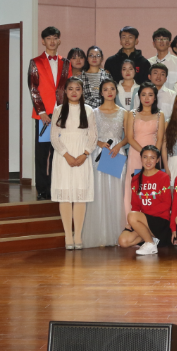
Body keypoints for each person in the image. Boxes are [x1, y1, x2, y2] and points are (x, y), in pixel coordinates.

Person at [50, 77, 98, 250]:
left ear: (82, 91)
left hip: (82, 156)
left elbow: (93, 136)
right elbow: (54, 137)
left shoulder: (89, 110)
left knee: (80, 196)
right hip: (63, 157)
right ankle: (68, 236)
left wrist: (85, 154)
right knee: (65, 196)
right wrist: (66, 155)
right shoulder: (58, 110)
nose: (74, 92)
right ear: (65, 91)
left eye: (78, 89)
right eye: (70, 89)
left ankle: (78, 236)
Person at [28, 26, 71, 201]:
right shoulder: (35, 62)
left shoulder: (66, 63)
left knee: (58, 152)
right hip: (43, 116)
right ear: (43, 41)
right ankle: (42, 189)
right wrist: (42, 111)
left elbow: (69, 88)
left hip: (61, 114)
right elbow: (33, 88)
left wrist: (66, 111)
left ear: (59, 40)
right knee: (42, 154)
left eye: (55, 38)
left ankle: (55, 187)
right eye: (48, 38)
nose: (52, 41)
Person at [85, 79, 129, 248]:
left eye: (112, 89)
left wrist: (119, 145)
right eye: (106, 89)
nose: (109, 92)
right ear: (101, 92)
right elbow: (88, 134)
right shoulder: (93, 112)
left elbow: (128, 136)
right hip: (100, 153)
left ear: (116, 91)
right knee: (99, 192)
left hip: (117, 153)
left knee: (117, 193)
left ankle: (117, 234)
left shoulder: (124, 112)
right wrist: (99, 143)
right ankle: (101, 235)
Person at [116, 146, 172, 256]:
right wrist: (133, 222)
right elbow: (135, 204)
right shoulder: (136, 179)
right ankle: (151, 239)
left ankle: (150, 243)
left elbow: (166, 204)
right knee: (123, 241)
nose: (148, 161)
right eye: (145, 157)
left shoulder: (163, 177)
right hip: (144, 220)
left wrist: (139, 217)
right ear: (141, 158)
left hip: (161, 221)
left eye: (152, 158)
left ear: (157, 160)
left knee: (132, 216)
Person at [123, 82, 165, 220]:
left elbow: (160, 139)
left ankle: (151, 220)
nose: (147, 98)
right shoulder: (132, 114)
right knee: (133, 186)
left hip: (153, 156)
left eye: (150, 95)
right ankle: (131, 221)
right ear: (139, 96)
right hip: (135, 154)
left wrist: (152, 156)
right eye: (143, 95)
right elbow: (129, 138)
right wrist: (144, 153)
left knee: (152, 186)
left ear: (155, 97)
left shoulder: (160, 115)